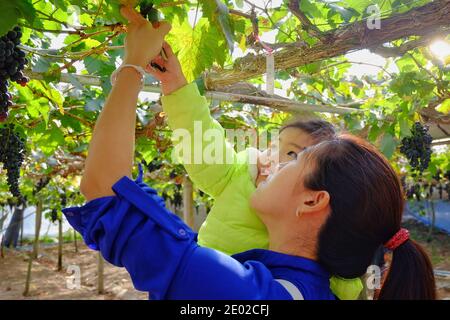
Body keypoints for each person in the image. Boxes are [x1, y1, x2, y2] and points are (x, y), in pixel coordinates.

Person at [64, 6, 436, 300]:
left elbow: (104, 190)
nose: (271, 162)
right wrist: (174, 84)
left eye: (295, 159)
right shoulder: (295, 285)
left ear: (312, 202)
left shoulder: (246, 293)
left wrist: (131, 66)